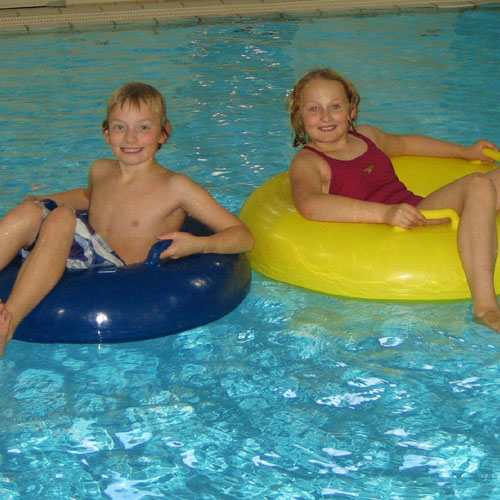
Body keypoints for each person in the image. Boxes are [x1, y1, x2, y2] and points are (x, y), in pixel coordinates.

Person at [0, 82, 254, 356]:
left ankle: (7, 323)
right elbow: (88, 197)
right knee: (30, 211)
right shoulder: (101, 170)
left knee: (61, 216)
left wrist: (198, 245)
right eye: (120, 127)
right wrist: (41, 200)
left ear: (163, 133)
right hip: (84, 247)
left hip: (117, 268)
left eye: (143, 127)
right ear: (107, 133)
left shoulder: (177, 187)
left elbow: (243, 237)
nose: (131, 138)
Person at [287, 68, 500, 332]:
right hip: (396, 227)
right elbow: (310, 204)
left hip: (419, 209)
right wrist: (385, 213)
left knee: (486, 183)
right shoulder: (308, 162)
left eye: (335, 106)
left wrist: (466, 152)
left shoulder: (367, 136)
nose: (326, 116)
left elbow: (407, 144)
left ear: (351, 110)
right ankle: (485, 308)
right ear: (299, 117)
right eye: (314, 109)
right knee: (478, 184)